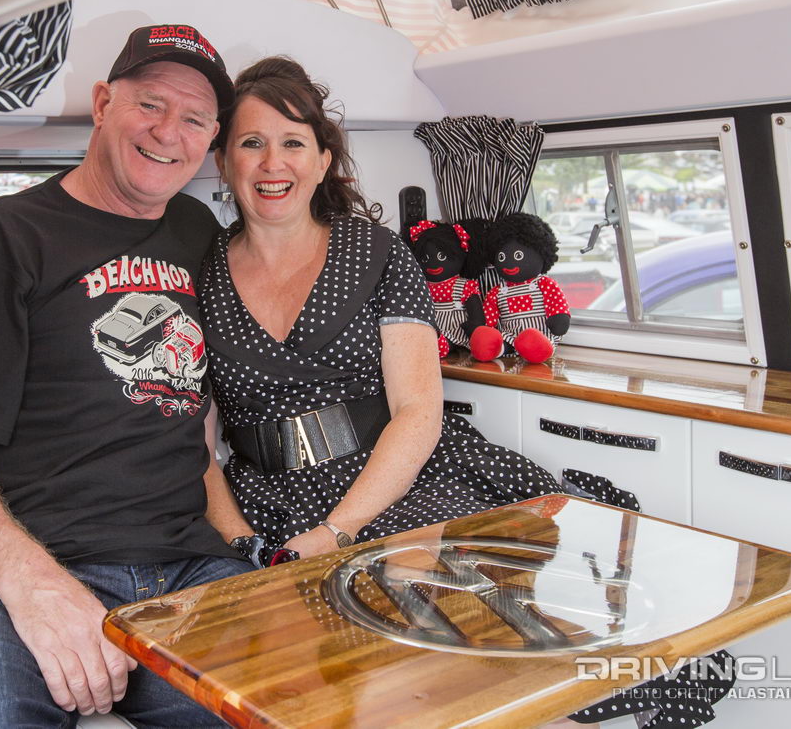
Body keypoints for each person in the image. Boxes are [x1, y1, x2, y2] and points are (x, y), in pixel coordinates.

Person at [196, 57, 729, 729]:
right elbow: (196, 432)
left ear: (324, 157)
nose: (273, 162)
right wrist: (236, 537)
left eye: (293, 142)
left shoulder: (376, 253)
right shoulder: (200, 270)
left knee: (495, 649)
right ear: (223, 158)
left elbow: (418, 411)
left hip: (391, 478)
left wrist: (337, 530)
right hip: (264, 502)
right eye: (251, 142)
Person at [0, 24, 251, 728]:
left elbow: (201, 416)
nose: (167, 131)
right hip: (19, 567)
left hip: (187, 571)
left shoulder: (197, 233)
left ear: (209, 141)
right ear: (101, 103)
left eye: (194, 119)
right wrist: (33, 584)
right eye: (149, 103)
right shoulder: (7, 233)